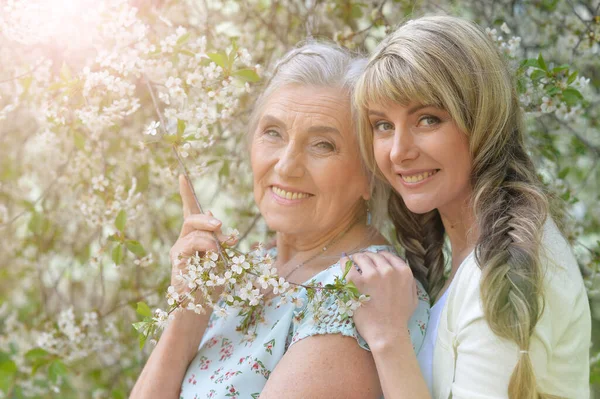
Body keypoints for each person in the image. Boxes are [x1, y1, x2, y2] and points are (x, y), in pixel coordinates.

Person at [130, 43, 430, 399]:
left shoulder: (358, 295)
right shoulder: (252, 267)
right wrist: (189, 309)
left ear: (370, 175)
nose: (286, 165)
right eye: (273, 133)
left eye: (322, 145)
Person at [344, 15, 591, 399]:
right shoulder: (468, 251)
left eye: (428, 119)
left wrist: (389, 337)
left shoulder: (507, 270)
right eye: (382, 125)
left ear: (482, 119)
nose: (398, 152)